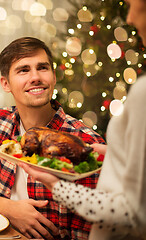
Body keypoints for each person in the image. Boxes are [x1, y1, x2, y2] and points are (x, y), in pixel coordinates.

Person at [0, 37, 105, 240]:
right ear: (6, 84)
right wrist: (8, 208)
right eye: (23, 70)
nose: (35, 77)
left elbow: (93, 229)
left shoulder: (84, 142)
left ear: (53, 76)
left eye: (42, 68)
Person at [19, 0, 146, 239]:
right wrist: (112, 152)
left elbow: (133, 214)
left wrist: (54, 185)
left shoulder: (142, 94)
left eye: (132, 3)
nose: (128, 18)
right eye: (23, 70)